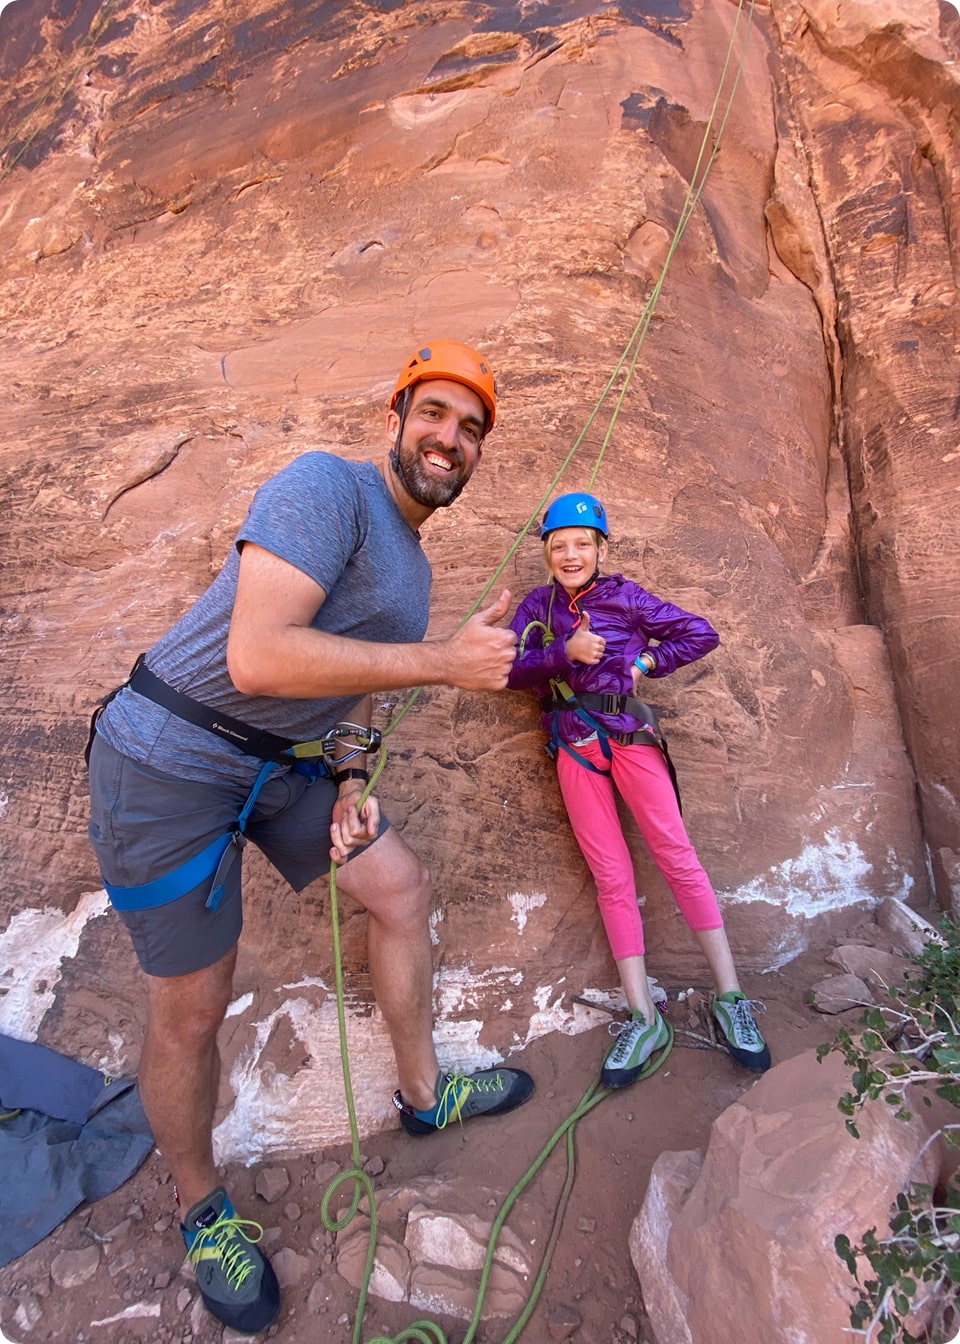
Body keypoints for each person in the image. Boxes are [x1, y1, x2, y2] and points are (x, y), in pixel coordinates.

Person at [86, 340, 535, 1336]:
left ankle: (423, 1096)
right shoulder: (324, 489)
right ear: (396, 419)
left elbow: (352, 684)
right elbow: (256, 656)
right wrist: (444, 666)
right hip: (165, 757)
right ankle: (203, 1208)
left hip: (277, 770)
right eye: (436, 416)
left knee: (402, 888)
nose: (449, 439)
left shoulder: (411, 572)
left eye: (471, 430)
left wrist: (344, 779)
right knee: (193, 1006)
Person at [505, 490, 770, 1091]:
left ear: (600, 548)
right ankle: (643, 1015)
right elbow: (510, 670)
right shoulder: (536, 606)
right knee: (611, 874)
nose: (570, 554)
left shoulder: (624, 596)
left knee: (676, 855)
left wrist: (643, 665)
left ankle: (731, 998)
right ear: (546, 551)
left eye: (581, 544)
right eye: (558, 545)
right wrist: (561, 653)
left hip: (627, 733)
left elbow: (700, 634)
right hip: (574, 743)